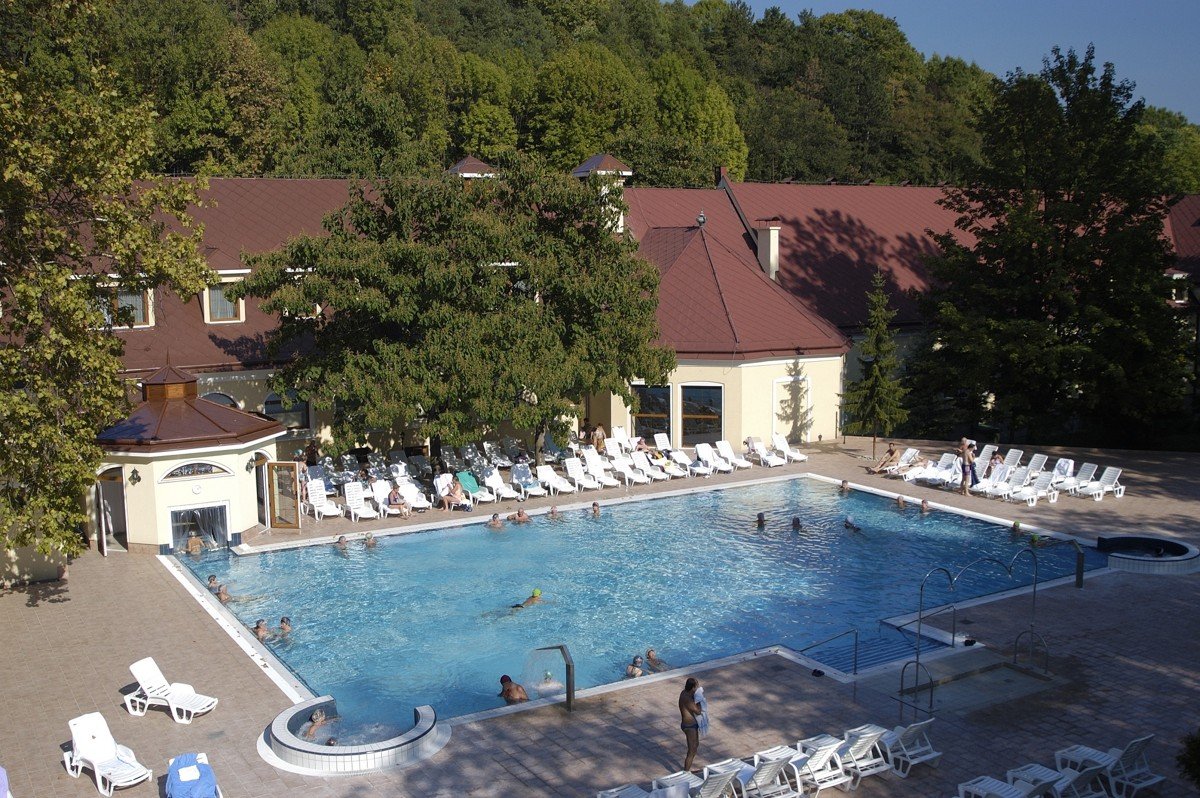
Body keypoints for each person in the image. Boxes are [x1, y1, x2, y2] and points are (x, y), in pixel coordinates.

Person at [678, 677, 704, 772]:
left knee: (695, 746)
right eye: (696, 686)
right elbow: (698, 711)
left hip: (692, 725)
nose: (697, 688)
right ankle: (686, 772)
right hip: (689, 727)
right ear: (692, 687)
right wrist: (700, 700)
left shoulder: (685, 692)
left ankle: (687, 770)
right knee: (691, 751)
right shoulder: (687, 698)